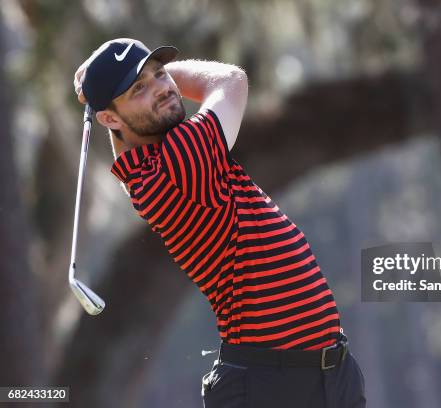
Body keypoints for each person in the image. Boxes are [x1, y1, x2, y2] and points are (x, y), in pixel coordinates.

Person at [73, 38, 366, 407]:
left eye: (159, 73)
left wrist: (114, 82)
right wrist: (121, 79)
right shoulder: (180, 160)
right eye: (139, 89)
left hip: (321, 377)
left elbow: (124, 140)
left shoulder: (141, 171)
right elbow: (231, 80)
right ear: (110, 118)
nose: (162, 88)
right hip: (273, 387)